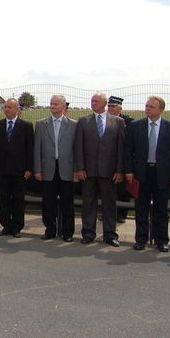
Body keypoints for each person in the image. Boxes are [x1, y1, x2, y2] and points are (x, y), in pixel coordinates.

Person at [124, 96, 170, 252]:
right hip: (141, 173)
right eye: (146, 105)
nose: (147, 108)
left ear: (160, 110)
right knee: (141, 208)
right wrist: (128, 171)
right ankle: (140, 239)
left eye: (151, 106)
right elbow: (128, 151)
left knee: (161, 209)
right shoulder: (136, 126)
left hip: (162, 174)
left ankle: (161, 240)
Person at [74, 92, 125, 247]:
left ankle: (110, 234)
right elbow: (78, 147)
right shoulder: (83, 121)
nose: (93, 103)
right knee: (88, 203)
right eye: (92, 101)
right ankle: (88, 233)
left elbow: (121, 148)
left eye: (96, 101)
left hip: (109, 172)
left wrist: (119, 170)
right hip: (88, 171)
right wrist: (80, 168)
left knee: (109, 204)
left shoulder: (118, 122)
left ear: (104, 103)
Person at [33, 95, 77, 242]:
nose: (52, 106)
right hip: (48, 169)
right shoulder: (41, 124)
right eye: (51, 104)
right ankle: (50, 229)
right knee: (48, 202)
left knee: (67, 202)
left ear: (63, 107)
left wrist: (76, 170)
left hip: (66, 168)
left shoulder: (73, 125)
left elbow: (76, 149)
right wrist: (37, 169)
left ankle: (67, 232)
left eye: (56, 104)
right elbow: (37, 149)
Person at [0, 98, 34, 238]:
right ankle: (5, 225)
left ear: (17, 109)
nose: (7, 109)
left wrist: (29, 168)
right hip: (2, 169)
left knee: (18, 199)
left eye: (10, 107)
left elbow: (30, 148)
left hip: (19, 170)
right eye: (5, 107)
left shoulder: (26, 126)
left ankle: (17, 226)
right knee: (3, 198)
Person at [108, 96, 133, 223]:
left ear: (120, 107)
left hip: (123, 160)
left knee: (123, 190)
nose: (110, 108)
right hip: (108, 161)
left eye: (113, 106)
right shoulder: (105, 120)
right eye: (109, 106)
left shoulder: (128, 121)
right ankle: (109, 213)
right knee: (109, 190)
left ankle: (122, 214)